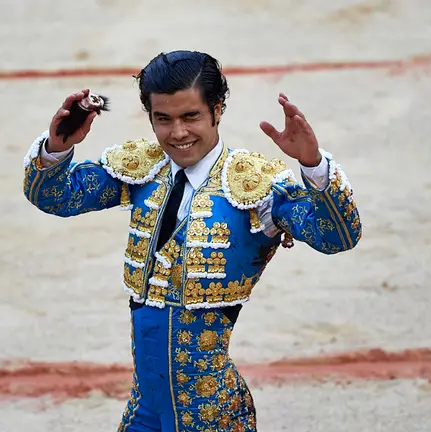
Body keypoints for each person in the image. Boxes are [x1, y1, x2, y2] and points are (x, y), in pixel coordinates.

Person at [22, 50, 361, 432]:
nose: (178, 133)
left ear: (218, 109)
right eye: (163, 119)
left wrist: (313, 166)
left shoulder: (254, 185)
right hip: (145, 408)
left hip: (211, 413)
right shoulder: (142, 168)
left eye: (191, 117)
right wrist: (57, 147)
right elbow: (55, 197)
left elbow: (338, 237)